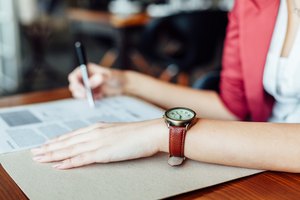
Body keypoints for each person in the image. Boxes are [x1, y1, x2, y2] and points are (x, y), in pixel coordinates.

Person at [32, 0, 300, 172]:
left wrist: (164, 134)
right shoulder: (252, 3)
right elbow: (231, 107)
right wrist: (126, 81)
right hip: (261, 162)